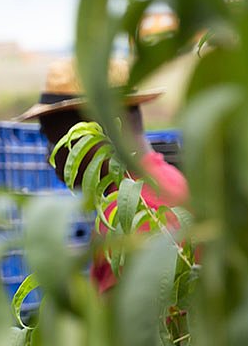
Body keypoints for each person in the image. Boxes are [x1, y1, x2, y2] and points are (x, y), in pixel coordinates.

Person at [16, 58, 189, 291]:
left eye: (55, 140)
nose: (51, 158)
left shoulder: (126, 215)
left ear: (93, 131)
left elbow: (125, 324)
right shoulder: (172, 180)